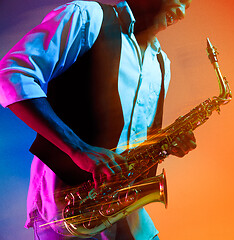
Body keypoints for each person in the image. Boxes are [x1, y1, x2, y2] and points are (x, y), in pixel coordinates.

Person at [0, 0, 195, 239]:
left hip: (123, 205)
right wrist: (78, 148)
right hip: (70, 207)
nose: (182, 13)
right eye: (181, 1)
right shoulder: (87, 17)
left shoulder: (162, 63)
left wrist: (165, 143)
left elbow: (133, 135)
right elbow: (11, 74)